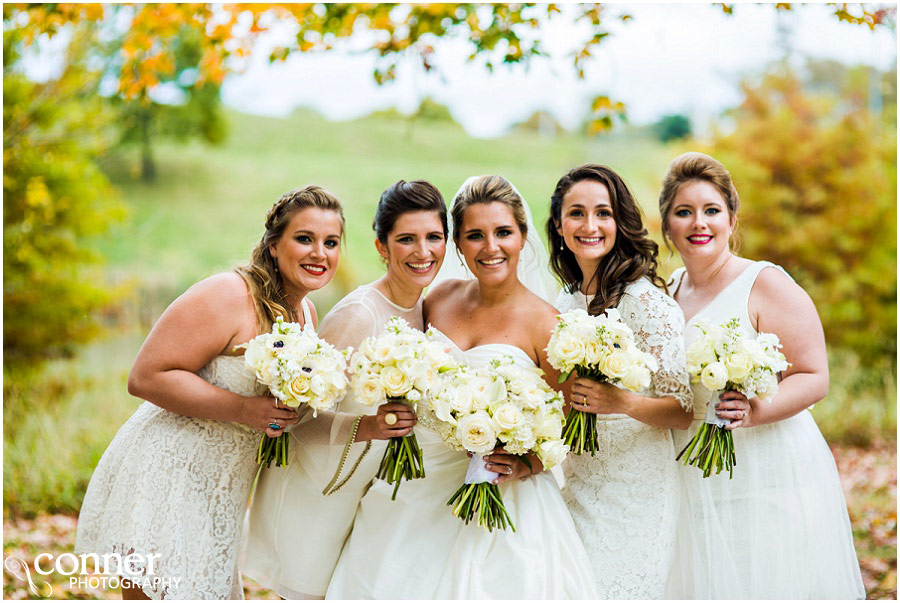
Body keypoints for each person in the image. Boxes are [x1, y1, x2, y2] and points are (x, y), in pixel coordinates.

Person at [326, 175, 598, 599]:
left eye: (503, 232)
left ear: (523, 237)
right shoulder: (439, 298)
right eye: (475, 235)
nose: (491, 248)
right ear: (459, 245)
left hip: (501, 496)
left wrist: (527, 464)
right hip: (414, 484)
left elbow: (565, 427)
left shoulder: (548, 324)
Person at [74, 186, 345, 599]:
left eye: (331, 243)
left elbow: (283, 414)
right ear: (274, 245)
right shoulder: (230, 294)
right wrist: (243, 408)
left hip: (223, 492)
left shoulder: (305, 313)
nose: (319, 253)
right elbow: (146, 375)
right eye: (304, 239)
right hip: (167, 475)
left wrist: (369, 425)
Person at [660, 152, 865, 599]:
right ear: (668, 226)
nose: (700, 223)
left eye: (712, 210)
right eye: (684, 212)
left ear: (731, 220)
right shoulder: (669, 290)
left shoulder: (764, 283)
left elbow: (814, 376)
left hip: (762, 471)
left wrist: (756, 409)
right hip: (691, 473)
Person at [242, 180, 449, 599]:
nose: (422, 251)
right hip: (316, 493)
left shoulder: (424, 311)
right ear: (381, 246)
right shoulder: (359, 313)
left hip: (362, 497)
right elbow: (297, 420)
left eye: (434, 237)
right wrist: (370, 427)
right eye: (406, 239)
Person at [546, 164, 693, 598]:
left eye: (602, 213)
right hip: (579, 481)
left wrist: (621, 402)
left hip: (637, 492)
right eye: (576, 213)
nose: (589, 226)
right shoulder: (566, 298)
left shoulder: (646, 301)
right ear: (558, 225)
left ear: (619, 221)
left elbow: (684, 411)